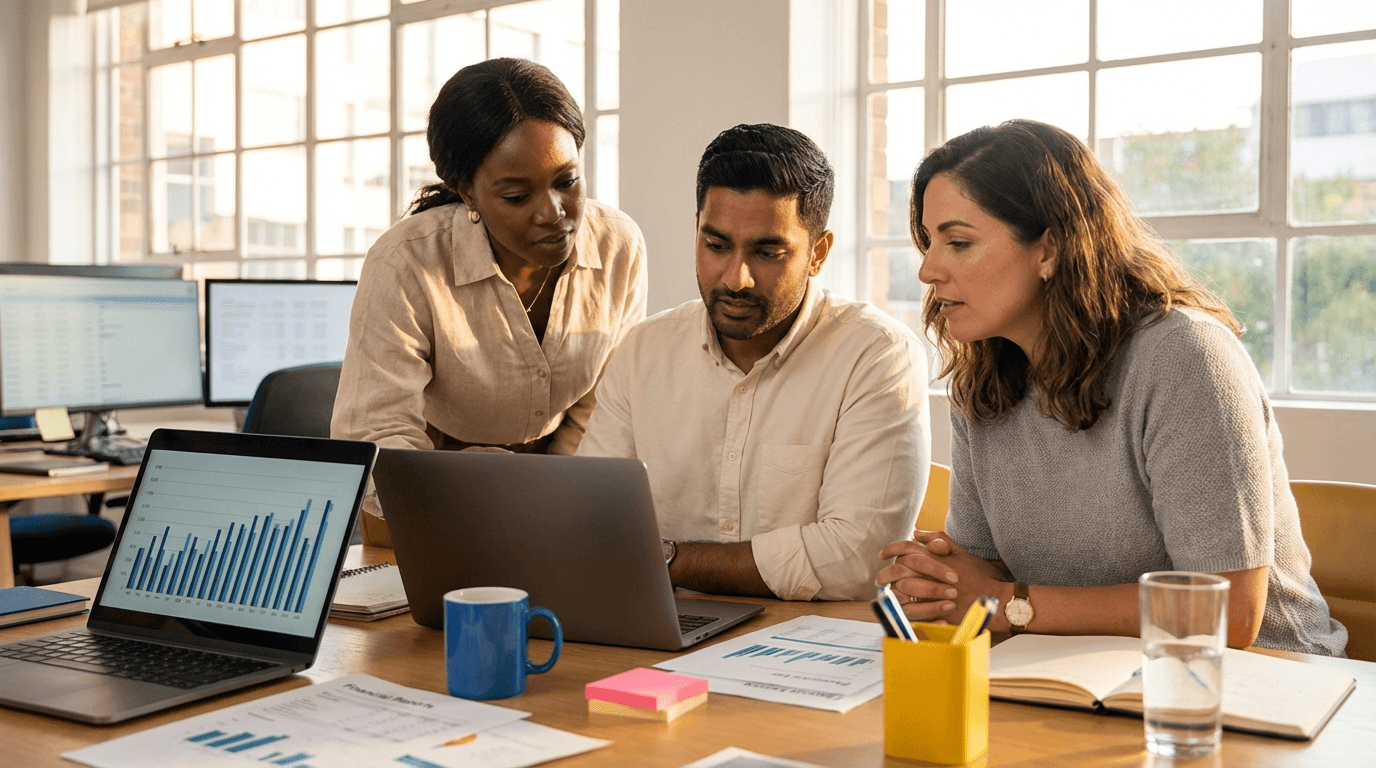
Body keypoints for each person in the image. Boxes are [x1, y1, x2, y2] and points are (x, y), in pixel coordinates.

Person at [877, 120, 1347, 656]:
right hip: (1078, 674)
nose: (928, 270)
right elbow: (984, 573)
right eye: (928, 241)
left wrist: (1006, 604)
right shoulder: (982, 381)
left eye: (958, 242)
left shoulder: (1185, 358)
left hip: (1264, 682)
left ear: (1049, 248)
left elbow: (1227, 613)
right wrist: (938, 581)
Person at [578, 123, 930, 601]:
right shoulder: (643, 352)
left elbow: (855, 560)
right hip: (665, 633)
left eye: (768, 252)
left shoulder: (877, 356)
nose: (736, 278)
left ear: (818, 253)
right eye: (716, 245)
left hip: (815, 645)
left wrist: (666, 559)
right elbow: (592, 525)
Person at [332, 58, 647, 527]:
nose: (553, 213)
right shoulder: (406, 261)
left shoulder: (618, 245)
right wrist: (475, 491)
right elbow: (375, 431)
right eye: (518, 196)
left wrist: (552, 494)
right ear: (468, 193)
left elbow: (605, 402)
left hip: (562, 478)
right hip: (424, 487)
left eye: (568, 181)